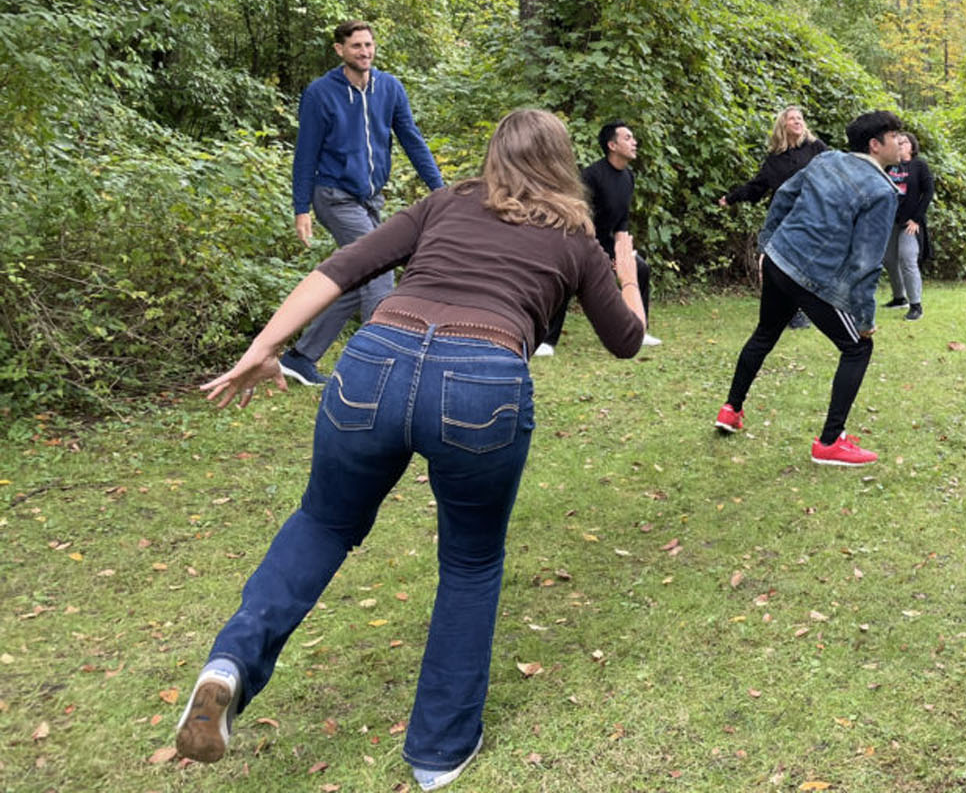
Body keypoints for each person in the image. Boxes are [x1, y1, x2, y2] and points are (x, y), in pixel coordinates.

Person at [175, 109, 645, 790]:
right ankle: (438, 750)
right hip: (484, 377)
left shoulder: (445, 202)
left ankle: (230, 664)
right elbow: (626, 340)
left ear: (493, 156)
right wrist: (625, 272)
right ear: (563, 161)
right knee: (471, 561)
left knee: (323, 523)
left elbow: (340, 270)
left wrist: (265, 347)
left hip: (375, 360)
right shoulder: (573, 234)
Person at [712, 110, 902, 466]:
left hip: (780, 259)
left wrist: (768, 245)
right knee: (858, 347)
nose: (901, 143)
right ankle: (830, 442)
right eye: (895, 137)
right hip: (811, 276)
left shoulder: (827, 159)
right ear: (876, 146)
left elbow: (783, 196)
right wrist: (864, 317)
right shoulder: (881, 191)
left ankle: (730, 410)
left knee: (765, 333)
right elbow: (866, 262)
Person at [279, 20, 445, 387]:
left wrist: (440, 189)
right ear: (340, 50)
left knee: (358, 277)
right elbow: (305, 153)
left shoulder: (389, 88)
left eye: (369, 45)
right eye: (356, 46)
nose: (365, 52)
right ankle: (379, 366)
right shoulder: (321, 93)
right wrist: (301, 208)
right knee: (380, 267)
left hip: (371, 198)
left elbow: (412, 140)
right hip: (333, 195)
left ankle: (300, 357)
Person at [536, 120, 661, 355]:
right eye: (628, 138)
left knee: (640, 269)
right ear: (612, 145)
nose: (634, 142)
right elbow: (578, 215)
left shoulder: (628, 177)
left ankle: (638, 331)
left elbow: (622, 219)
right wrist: (596, 253)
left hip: (607, 243)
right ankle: (546, 341)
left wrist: (623, 253)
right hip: (578, 238)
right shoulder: (591, 176)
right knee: (569, 278)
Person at [717, 105, 828, 330]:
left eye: (800, 118)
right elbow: (758, 186)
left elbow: (834, 173)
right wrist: (731, 198)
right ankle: (792, 313)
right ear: (783, 125)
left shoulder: (817, 148)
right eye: (792, 119)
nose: (798, 121)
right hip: (784, 217)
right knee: (781, 263)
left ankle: (811, 308)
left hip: (813, 214)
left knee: (807, 263)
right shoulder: (775, 158)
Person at [882, 131, 934, 321]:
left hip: (910, 223)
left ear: (912, 147)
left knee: (907, 258)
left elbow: (928, 193)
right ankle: (899, 298)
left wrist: (916, 219)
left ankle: (916, 305)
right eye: (898, 142)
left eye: (904, 142)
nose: (900, 145)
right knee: (888, 259)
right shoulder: (889, 166)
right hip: (891, 221)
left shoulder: (919, 165)